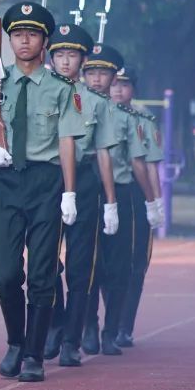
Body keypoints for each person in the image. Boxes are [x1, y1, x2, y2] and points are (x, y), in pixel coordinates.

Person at [0, 1, 84, 383]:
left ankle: (34, 353)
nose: (24, 40)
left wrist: (69, 191)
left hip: (45, 182)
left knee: (42, 272)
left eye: (32, 34)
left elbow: (67, 139)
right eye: (17, 34)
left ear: (44, 40)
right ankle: (15, 341)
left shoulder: (60, 88)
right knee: (4, 274)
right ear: (8, 39)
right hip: (5, 180)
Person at [42, 25, 119, 366]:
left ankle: (72, 338)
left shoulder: (96, 103)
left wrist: (111, 202)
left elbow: (103, 152)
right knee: (44, 261)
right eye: (58, 53)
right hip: (46, 178)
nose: (64, 60)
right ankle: (55, 323)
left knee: (80, 263)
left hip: (86, 180)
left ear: (83, 59)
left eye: (72, 54)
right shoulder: (38, 93)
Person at [80, 44, 143, 356]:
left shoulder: (127, 118)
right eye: (90, 71)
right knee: (87, 263)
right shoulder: (76, 107)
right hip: (85, 191)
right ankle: (89, 326)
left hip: (119, 193)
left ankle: (111, 329)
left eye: (103, 72)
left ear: (113, 76)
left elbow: (137, 159)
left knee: (119, 266)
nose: (96, 79)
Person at [110, 67, 164, 347]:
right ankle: (107, 323)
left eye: (125, 84)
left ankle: (124, 325)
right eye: (114, 83)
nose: (118, 89)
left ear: (134, 89)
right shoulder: (99, 115)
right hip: (107, 192)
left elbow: (151, 165)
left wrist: (154, 201)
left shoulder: (145, 120)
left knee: (135, 262)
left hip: (135, 192)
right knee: (108, 262)